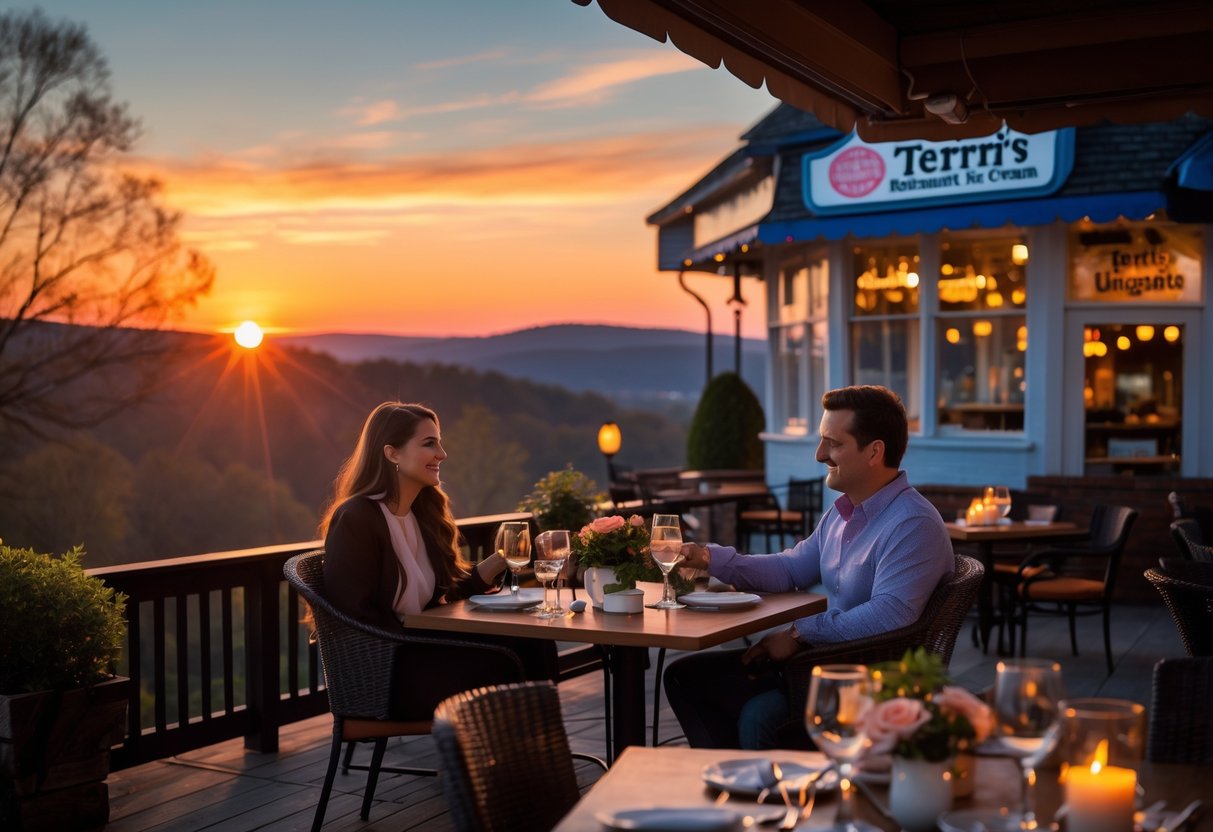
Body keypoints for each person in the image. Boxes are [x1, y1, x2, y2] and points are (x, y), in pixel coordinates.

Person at [663, 385, 953, 748]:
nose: (819, 455)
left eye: (833, 443)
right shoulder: (843, 513)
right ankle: (739, 790)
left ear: (874, 452)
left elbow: (889, 615)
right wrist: (708, 556)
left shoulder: (912, 523)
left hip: (872, 682)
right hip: (826, 665)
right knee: (686, 677)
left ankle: (770, 793)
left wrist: (799, 634)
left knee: (755, 712)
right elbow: (790, 569)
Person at [320, 401, 554, 719]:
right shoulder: (357, 518)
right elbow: (354, 615)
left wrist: (501, 559)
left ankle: (531, 752)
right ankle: (512, 758)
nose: (441, 453)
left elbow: (444, 592)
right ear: (392, 454)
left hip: (423, 648)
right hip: (390, 670)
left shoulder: (421, 514)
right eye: (429, 443)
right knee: (506, 661)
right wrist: (436, 638)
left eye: (439, 442)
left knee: (535, 642)